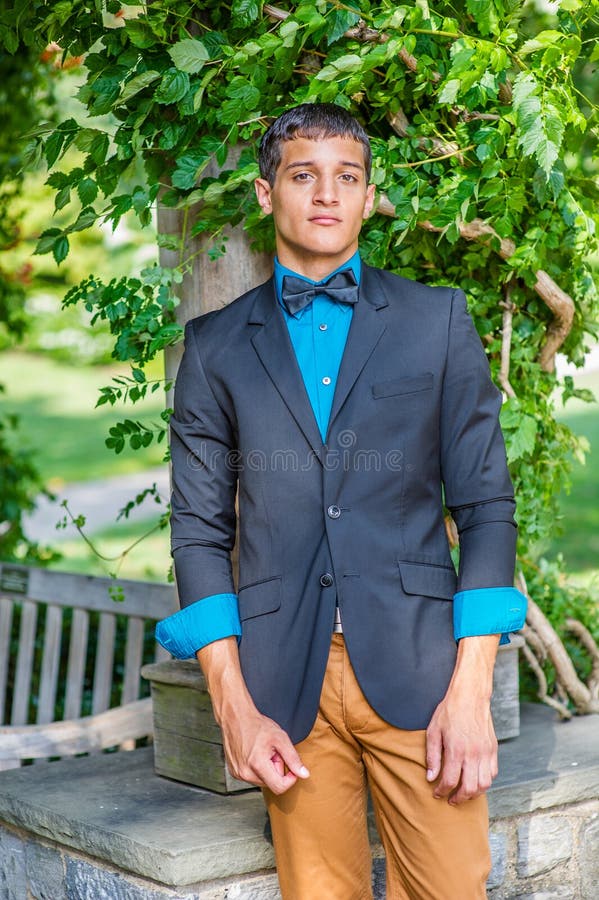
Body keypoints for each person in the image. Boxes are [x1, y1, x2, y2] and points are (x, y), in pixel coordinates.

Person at [156, 102, 527, 900]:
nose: (325, 193)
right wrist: (232, 704)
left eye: (346, 177)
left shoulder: (438, 321)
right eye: (302, 175)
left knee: (451, 889)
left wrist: (469, 692)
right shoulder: (215, 346)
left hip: (421, 669)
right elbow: (196, 533)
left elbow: (487, 509)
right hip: (282, 676)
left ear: (366, 196)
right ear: (265, 194)